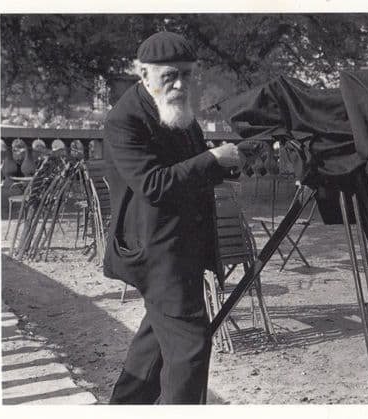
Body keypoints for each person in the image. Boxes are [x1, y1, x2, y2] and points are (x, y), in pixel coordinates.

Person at [103, 31, 244, 404]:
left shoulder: (177, 110)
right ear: (143, 74)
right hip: (156, 254)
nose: (180, 83)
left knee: (154, 349)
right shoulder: (125, 119)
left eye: (186, 73)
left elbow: (190, 166)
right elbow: (154, 184)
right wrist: (212, 160)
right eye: (170, 75)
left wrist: (229, 162)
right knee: (189, 351)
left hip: (182, 247)